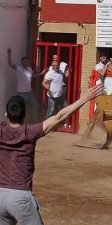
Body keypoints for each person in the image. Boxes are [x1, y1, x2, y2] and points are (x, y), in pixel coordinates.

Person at [0, 83, 104, 225]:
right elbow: (60, 116)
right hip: (21, 197)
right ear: (25, 114)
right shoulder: (30, 132)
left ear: (6, 114)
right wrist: (85, 98)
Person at [7, 48, 46, 123]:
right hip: (21, 93)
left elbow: (33, 76)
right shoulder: (18, 69)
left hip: (29, 92)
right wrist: (9, 54)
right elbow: (10, 63)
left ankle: (34, 123)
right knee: (21, 109)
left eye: (27, 61)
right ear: (21, 62)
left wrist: (41, 73)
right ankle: (21, 123)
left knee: (35, 106)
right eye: (24, 61)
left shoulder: (29, 69)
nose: (26, 63)